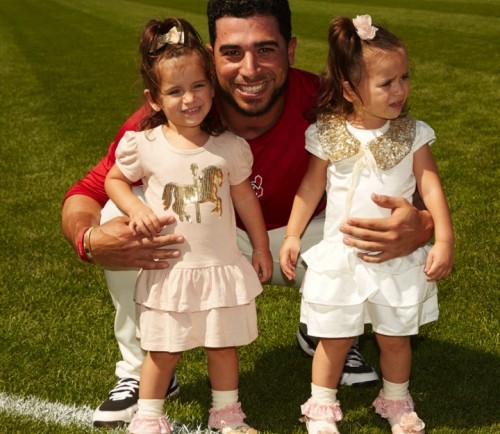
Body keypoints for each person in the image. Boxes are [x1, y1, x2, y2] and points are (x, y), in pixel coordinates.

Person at [61, 0, 434, 428]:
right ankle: (140, 367)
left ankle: (330, 331)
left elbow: (409, 168)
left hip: (308, 235)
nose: (250, 68)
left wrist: (421, 224)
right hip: (207, 240)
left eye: (266, 49)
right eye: (233, 52)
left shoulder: (331, 103)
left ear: (291, 51)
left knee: (367, 224)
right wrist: (89, 239)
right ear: (211, 55)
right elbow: (86, 193)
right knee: (118, 216)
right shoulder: (173, 109)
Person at [279, 15, 454, 434]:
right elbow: (310, 186)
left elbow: (431, 189)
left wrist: (443, 239)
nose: (400, 90)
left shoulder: (412, 134)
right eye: (387, 83)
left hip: (396, 256)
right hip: (345, 256)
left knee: (396, 336)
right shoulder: (329, 133)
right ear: (350, 90)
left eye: (404, 78)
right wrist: (291, 234)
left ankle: (395, 400)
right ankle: (320, 406)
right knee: (335, 337)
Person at [104, 18, 272, 434]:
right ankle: (148, 416)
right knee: (163, 349)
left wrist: (262, 247)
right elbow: (113, 179)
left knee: (222, 346)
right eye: (175, 91)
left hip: (220, 265)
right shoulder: (145, 144)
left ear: (212, 88)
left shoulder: (229, 148)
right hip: (171, 270)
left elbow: (245, 197)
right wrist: (133, 208)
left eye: (198, 86)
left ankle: (227, 415)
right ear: (155, 99)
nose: (189, 99)